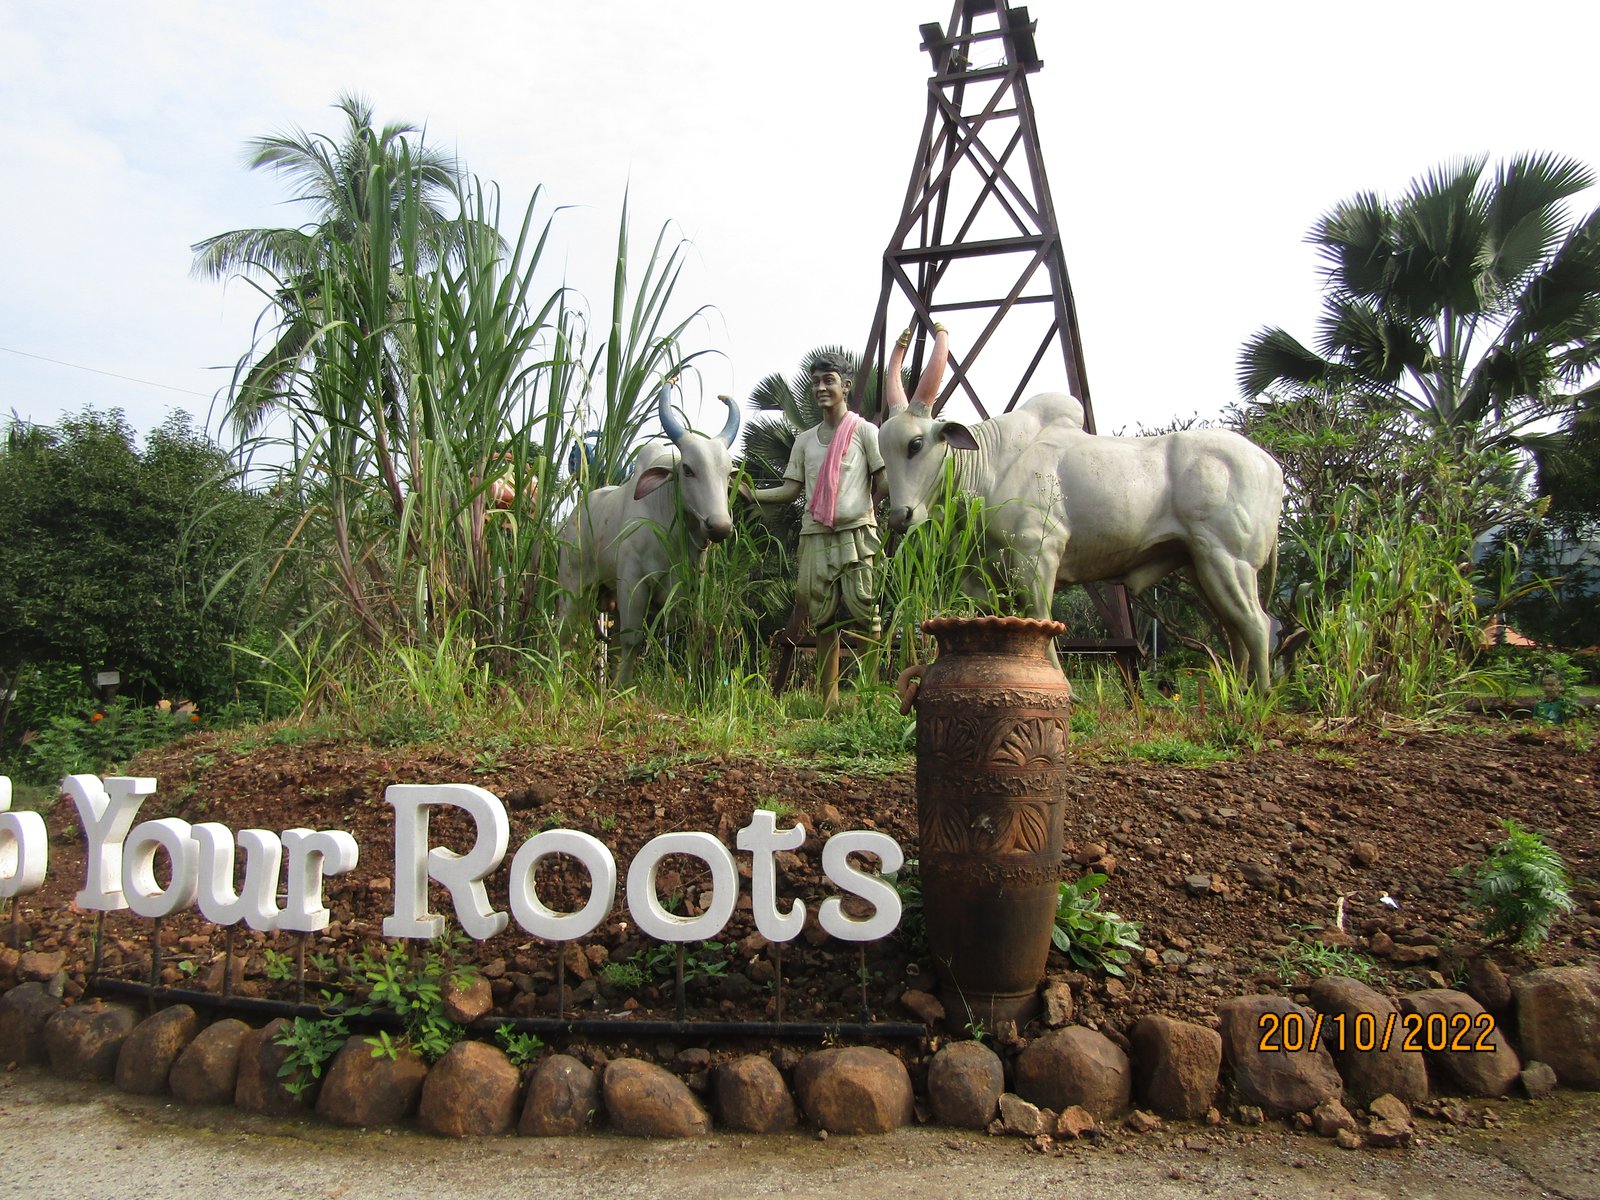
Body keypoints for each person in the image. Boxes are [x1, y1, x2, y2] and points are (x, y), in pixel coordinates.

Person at [750, 352, 885, 705]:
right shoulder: (805, 441)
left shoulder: (864, 432)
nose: (821, 388)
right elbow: (790, 490)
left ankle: (869, 700)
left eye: (829, 380)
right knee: (823, 618)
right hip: (816, 535)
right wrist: (752, 494)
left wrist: (876, 504)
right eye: (816, 382)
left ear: (846, 385)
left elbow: (883, 481)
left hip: (856, 534)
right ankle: (828, 701)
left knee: (866, 614)